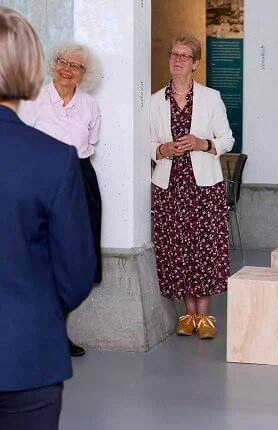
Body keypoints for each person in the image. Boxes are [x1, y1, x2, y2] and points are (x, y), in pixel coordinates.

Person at [0, 7, 96, 429]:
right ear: (32, 66)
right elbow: (76, 273)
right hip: (27, 354)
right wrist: (36, 311)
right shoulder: (54, 161)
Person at [19, 43, 102, 358]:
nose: (67, 69)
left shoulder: (90, 105)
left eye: (75, 65)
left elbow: (90, 143)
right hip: (39, 181)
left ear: (84, 74)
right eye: (62, 62)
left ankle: (57, 335)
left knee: (69, 260)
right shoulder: (34, 99)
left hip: (78, 181)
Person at [150, 34, 234, 339]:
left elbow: (227, 139)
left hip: (204, 186)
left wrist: (203, 143)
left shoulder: (211, 98)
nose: (177, 60)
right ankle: (187, 314)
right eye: (174, 54)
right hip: (170, 186)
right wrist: (161, 150)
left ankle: (205, 314)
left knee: (205, 248)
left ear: (195, 63)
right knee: (178, 247)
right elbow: (146, 143)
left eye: (184, 56)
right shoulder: (155, 101)